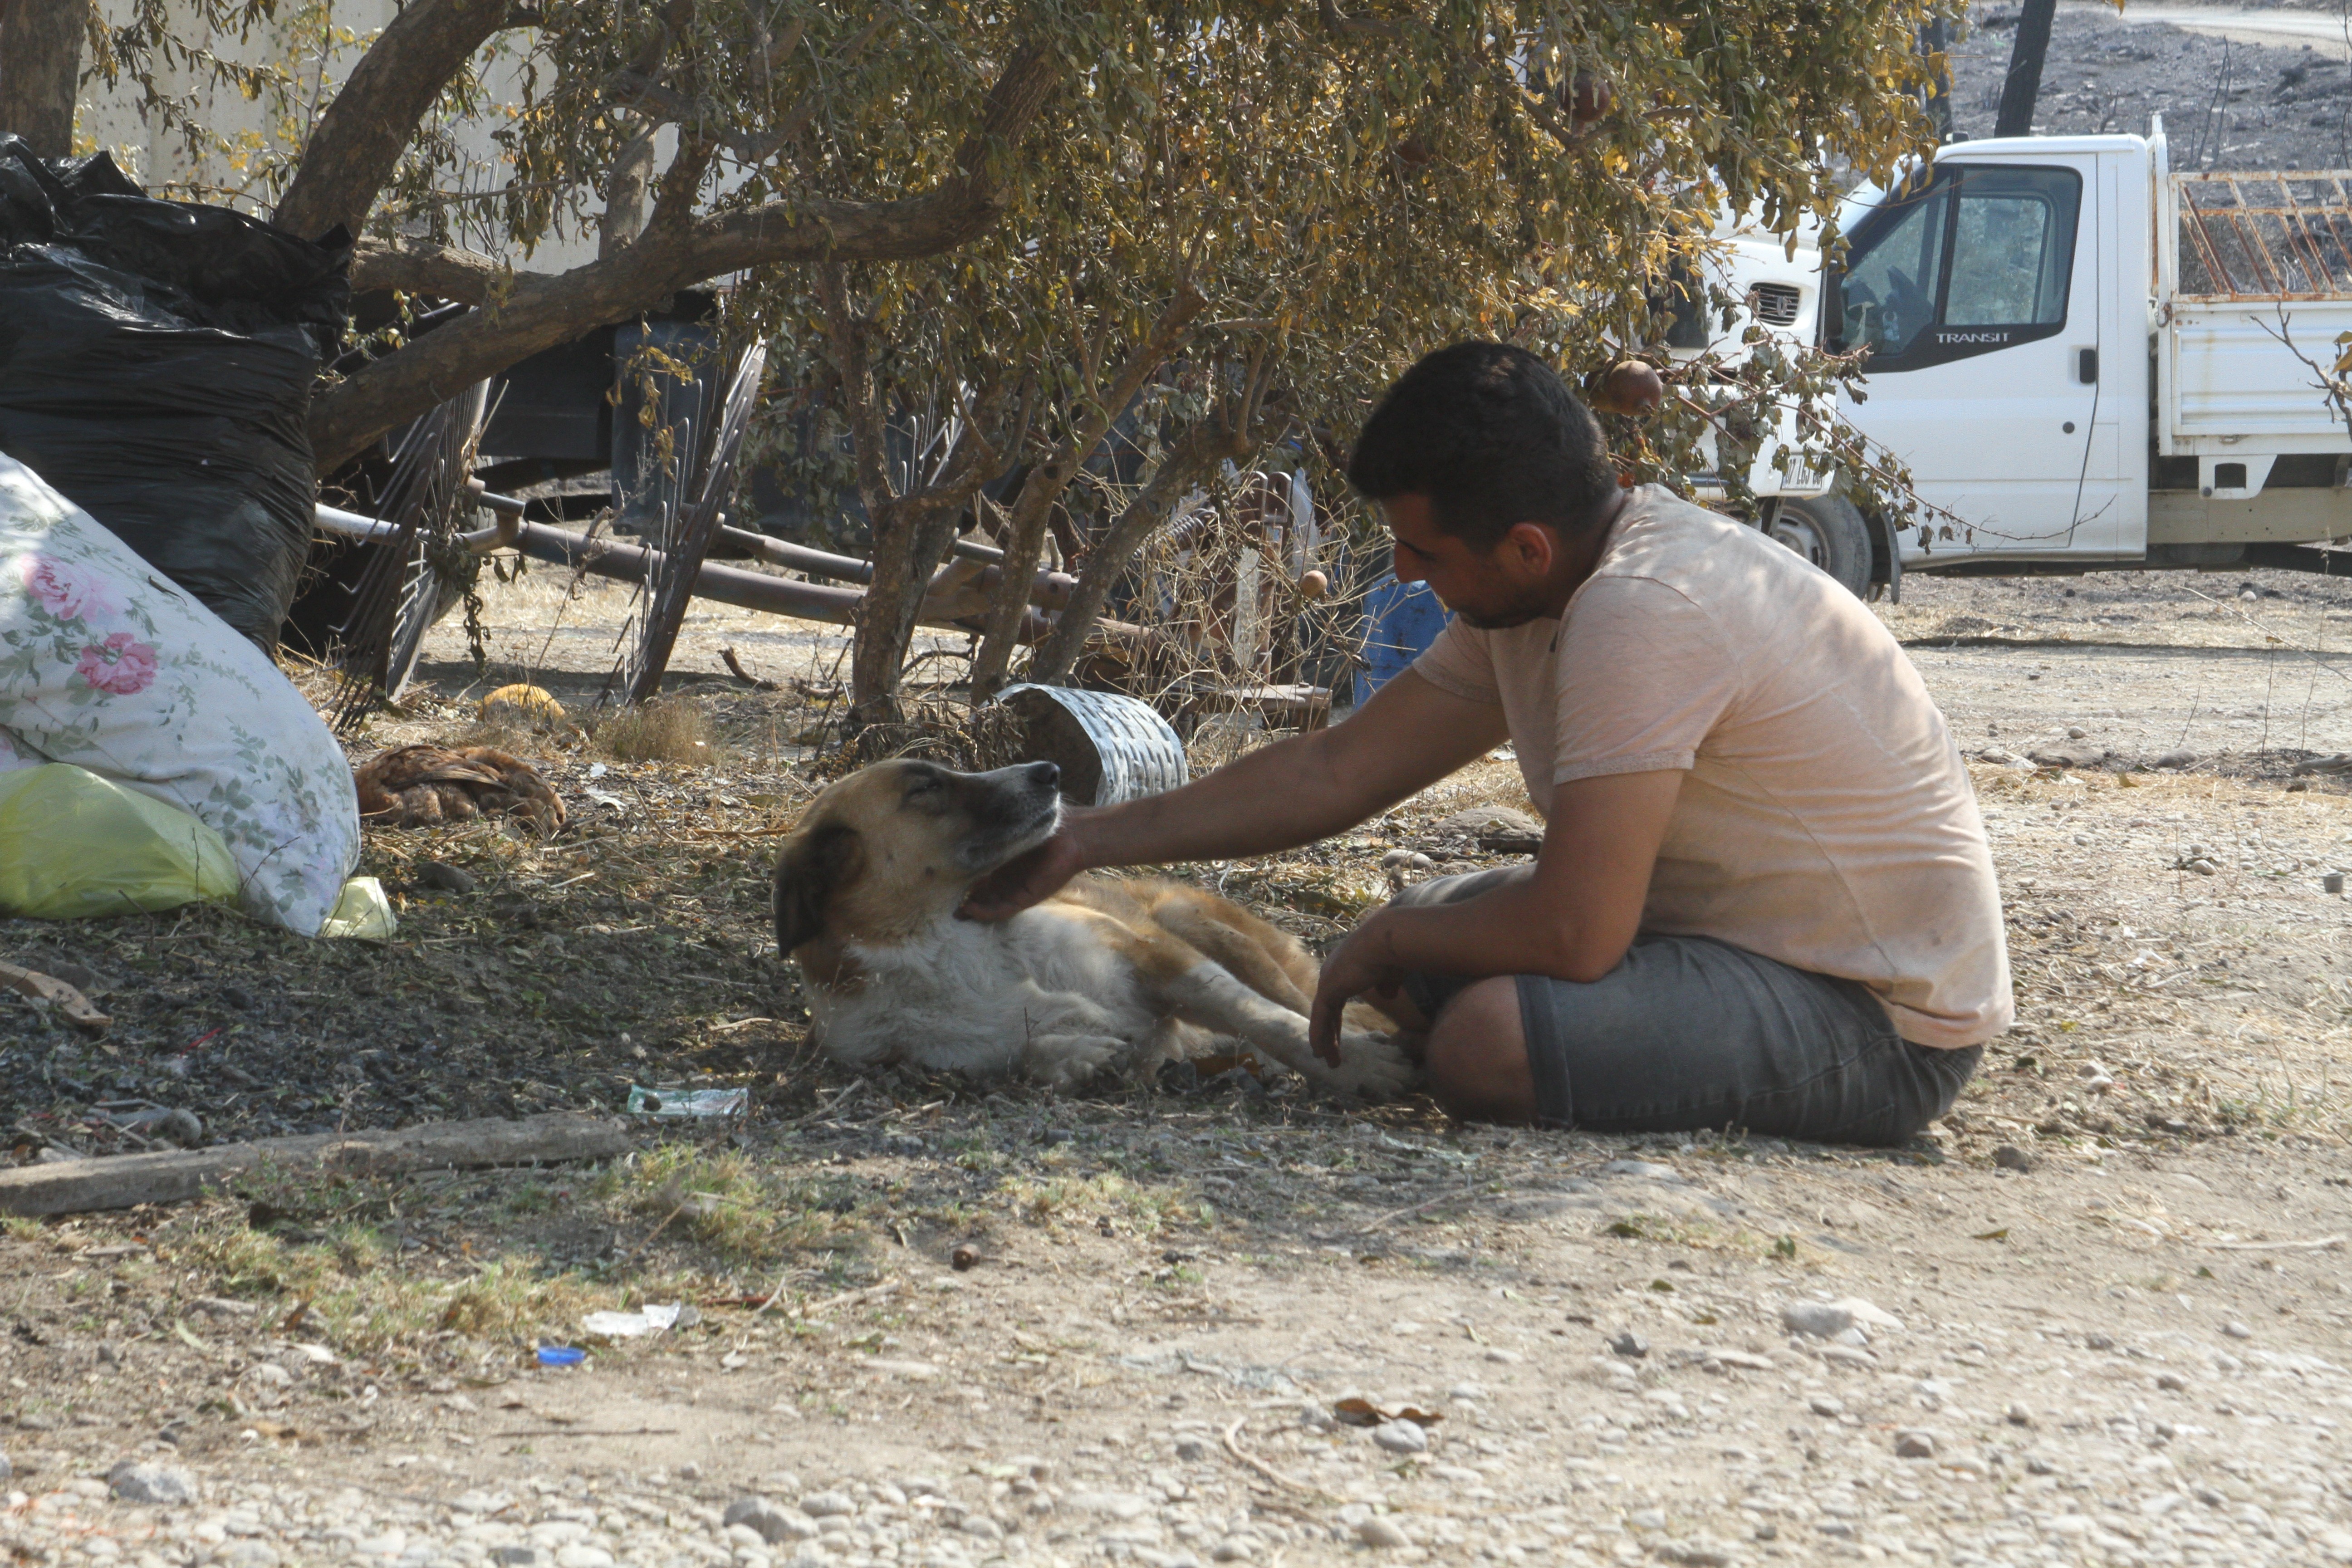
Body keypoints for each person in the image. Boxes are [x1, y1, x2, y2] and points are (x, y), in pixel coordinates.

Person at [964, 341, 2010, 1147]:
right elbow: (1338, 768)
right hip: (1725, 945)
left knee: (1480, 1042)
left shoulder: (1643, 609)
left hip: (1877, 1019)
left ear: (1524, 547)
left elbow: (1575, 935)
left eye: (1423, 549)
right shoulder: (1538, 595)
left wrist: (1394, 941)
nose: (1406, 575)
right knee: (1411, 966)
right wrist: (1090, 837)